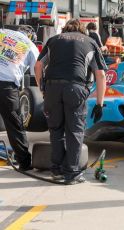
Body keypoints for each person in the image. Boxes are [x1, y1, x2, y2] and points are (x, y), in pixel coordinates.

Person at [34, 19, 107, 184]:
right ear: (82, 30)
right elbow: (100, 75)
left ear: (65, 28)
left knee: (56, 129)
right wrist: (99, 103)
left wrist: (43, 89)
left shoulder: (53, 40)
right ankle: (72, 174)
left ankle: (57, 171)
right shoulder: (90, 42)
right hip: (76, 88)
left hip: (52, 89)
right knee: (74, 131)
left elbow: (38, 66)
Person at [0, 26, 39, 171]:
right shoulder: (31, 45)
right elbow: (38, 70)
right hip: (7, 86)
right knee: (14, 124)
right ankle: (24, 162)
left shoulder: (2, 32)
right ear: (31, 36)